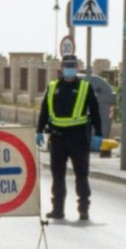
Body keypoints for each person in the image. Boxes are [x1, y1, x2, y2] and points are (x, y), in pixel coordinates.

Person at [36, 55, 103, 221]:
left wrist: (99, 133)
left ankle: (83, 210)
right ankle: (57, 209)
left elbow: (95, 112)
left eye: (73, 66)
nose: (70, 69)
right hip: (57, 138)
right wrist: (39, 130)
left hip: (78, 138)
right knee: (57, 175)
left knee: (81, 175)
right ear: (61, 67)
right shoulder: (52, 87)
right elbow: (44, 110)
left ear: (78, 68)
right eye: (67, 66)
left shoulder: (85, 87)